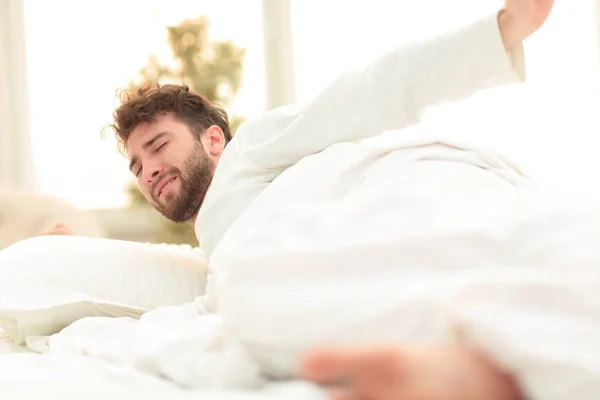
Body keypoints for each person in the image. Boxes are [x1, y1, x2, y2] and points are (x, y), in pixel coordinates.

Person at [106, 1, 554, 399]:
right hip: (354, 261)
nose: (149, 170)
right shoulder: (223, 252)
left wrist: (500, 32)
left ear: (214, 140)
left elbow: (359, 97)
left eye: (159, 146)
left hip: (406, 196)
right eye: (137, 166)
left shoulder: (250, 152)